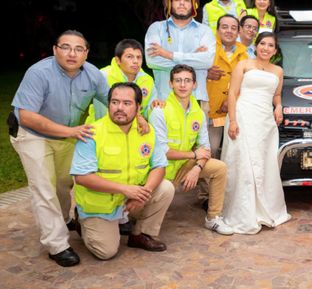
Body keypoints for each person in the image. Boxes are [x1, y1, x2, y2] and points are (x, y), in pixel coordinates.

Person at [10, 30, 110, 267]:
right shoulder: (38, 73)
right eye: (65, 47)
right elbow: (27, 117)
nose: (72, 53)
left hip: (67, 134)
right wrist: (71, 132)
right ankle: (57, 245)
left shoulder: (93, 74)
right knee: (44, 187)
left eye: (78, 49)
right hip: (32, 134)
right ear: (55, 50)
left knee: (64, 184)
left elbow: (113, 100)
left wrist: (140, 116)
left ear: (86, 53)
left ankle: (64, 219)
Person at [71, 83, 175, 259]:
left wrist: (143, 193)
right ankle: (83, 220)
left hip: (131, 198)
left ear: (138, 107)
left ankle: (140, 234)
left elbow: (159, 166)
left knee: (166, 188)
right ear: (108, 104)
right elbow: (82, 177)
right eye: (115, 102)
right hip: (101, 205)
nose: (119, 108)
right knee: (106, 252)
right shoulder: (92, 133)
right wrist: (126, 190)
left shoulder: (146, 132)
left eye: (127, 103)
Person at [221, 32, 291, 234]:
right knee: (243, 163)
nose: (266, 48)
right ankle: (243, 213)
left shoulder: (278, 71)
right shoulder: (243, 64)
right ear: (256, 45)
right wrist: (233, 120)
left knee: (263, 162)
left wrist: (279, 107)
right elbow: (233, 93)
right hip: (242, 116)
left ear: (275, 51)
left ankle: (266, 208)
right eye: (262, 44)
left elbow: (276, 95)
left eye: (270, 45)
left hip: (264, 122)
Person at [150, 65, 232, 235]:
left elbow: (205, 148)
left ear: (194, 84)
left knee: (219, 168)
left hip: (185, 166)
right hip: (160, 172)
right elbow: (162, 151)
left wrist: (197, 168)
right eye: (178, 80)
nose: (182, 85)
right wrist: (193, 155)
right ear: (170, 83)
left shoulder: (198, 113)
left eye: (187, 81)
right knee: (144, 216)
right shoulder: (160, 111)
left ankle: (213, 218)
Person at [144, 0, 214, 104]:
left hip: (196, 99)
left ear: (194, 4)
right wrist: (194, 57)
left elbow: (207, 61)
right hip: (164, 100)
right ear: (168, 2)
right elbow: (152, 61)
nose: (182, 3)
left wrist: (168, 54)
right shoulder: (156, 28)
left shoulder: (205, 31)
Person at [206, 15, 248, 158]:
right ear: (217, 30)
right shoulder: (207, 50)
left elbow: (248, 85)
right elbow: (188, 72)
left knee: (233, 153)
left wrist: (231, 101)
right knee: (211, 149)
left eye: (233, 28)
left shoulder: (245, 56)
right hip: (210, 110)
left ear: (238, 32)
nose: (229, 31)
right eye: (224, 27)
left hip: (234, 112)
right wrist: (205, 73)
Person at [86, 39, 156, 122]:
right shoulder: (103, 76)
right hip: (101, 127)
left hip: (136, 127)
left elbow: (149, 110)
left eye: (139, 57)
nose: (135, 61)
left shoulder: (147, 79)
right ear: (118, 60)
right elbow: (101, 112)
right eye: (129, 57)